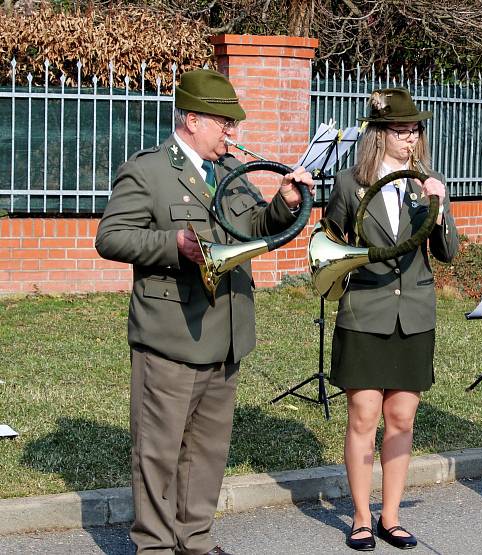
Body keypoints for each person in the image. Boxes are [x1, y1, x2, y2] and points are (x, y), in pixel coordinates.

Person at [95, 69, 314, 555]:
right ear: (192, 119)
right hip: (171, 334)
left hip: (226, 331)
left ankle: (194, 540)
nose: (231, 132)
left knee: (208, 452)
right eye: (223, 122)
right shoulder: (149, 170)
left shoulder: (229, 172)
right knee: (159, 451)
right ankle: (153, 546)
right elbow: (110, 237)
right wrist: (172, 244)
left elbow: (255, 224)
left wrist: (285, 203)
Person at [324, 87, 459, 551]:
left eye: (414, 130)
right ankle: (361, 517)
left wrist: (440, 208)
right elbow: (331, 245)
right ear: (378, 135)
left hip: (413, 313)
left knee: (401, 417)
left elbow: (449, 253)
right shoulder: (348, 183)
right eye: (399, 131)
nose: (409, 139)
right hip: (365, 311)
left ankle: (391, 515)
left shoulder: (427, 182)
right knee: (364, 414)